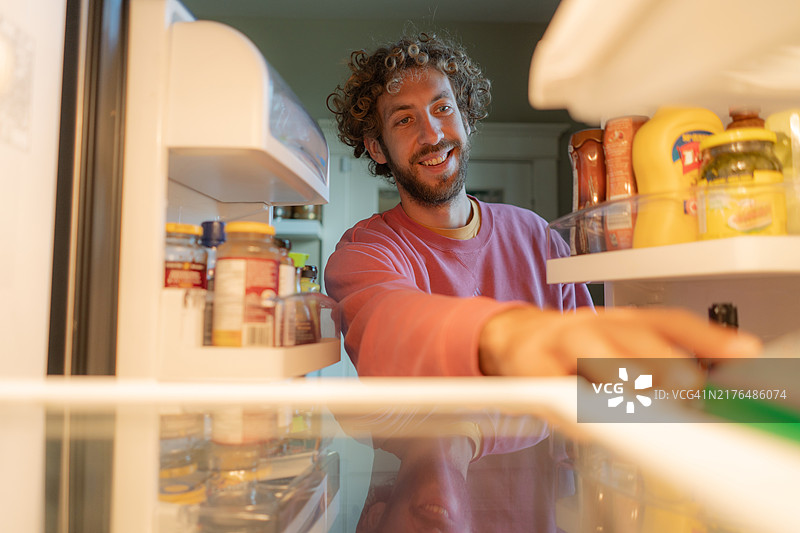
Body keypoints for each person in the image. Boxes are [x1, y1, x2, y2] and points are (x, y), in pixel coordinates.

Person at [324, 32, 761, 383]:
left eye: (443, 108)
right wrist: (508, 335)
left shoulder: (535, 235)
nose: (433, 134)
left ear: (467, 119)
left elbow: (592, 373)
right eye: (404, 120)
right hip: (420, 487)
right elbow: (387, 326)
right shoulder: (365, 252)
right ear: (376, 146)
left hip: (549, 492)